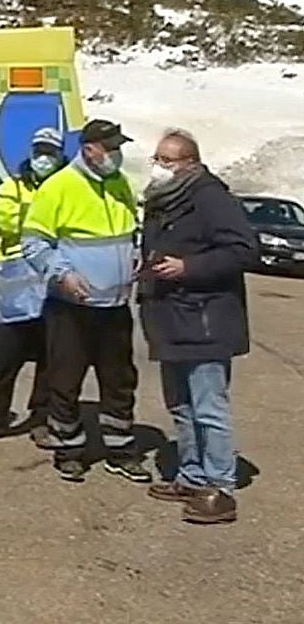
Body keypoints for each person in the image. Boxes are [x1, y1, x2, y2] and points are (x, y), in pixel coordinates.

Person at [22, 118, 151, 484]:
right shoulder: (59, 187)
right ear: (89, 149)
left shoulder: (120, 183)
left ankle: (121, 449)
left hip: (114, 306)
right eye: (110, 148)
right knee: (65, 379)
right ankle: (69, 450)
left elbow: (131, 228)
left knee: (120, 380)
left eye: (119, 148)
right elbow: (34, 243)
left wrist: (136, 251)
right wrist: (62, 274)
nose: (116, 155)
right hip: (72, 307)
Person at [138, 129, 257, 524]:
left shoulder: (210, 197)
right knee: (181, 406)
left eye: (166, 161)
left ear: (189, 162)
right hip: (171, 318)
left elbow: (243, 249)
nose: (158, 167)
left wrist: (189, 268)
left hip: (206, 319)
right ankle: (191, 475)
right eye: (157, 159)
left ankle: (220, 488)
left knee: (209, 407)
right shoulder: (163, 201)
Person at [0, 127, 64, 444]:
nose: (43, 158)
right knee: (6, 353)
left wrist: (37, 220)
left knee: (50, 354)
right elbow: (6, 222)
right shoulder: (12, 186)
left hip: (52, 275)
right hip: (18, 275)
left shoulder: (67, 186)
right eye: (39, 151)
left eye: (50, 152)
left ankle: (42, 417)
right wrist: (47, 221)